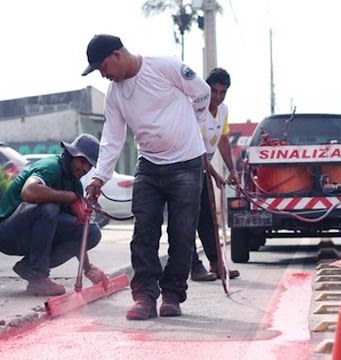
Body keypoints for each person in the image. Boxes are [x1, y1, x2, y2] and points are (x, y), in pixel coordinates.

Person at [81, 34, 210, 320]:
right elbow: (112, 139)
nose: (103, 75)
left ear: (117, 55)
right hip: (149, 167)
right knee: (144, 235)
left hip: (187, 164)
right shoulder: (115, 95)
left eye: (102, 67)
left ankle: (173, 296)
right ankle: (144, 296)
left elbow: (202, 92)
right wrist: (98, 178)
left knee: (182, 234)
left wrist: (194, 122)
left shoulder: (165, 67)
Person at [0, 134, 106, 296]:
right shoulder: (51, 167)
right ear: (71, 154)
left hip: (32, 235)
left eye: (90, 165)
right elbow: (29, 192)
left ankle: (30, 266)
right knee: (49, 207)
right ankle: (38, 278)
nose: (85, 168)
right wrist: (71, 197)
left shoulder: (75, 185)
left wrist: (88, 268)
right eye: (82, 161)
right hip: (7, 234)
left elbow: (77, 231)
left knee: (90, 231)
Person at [190, 67, 241, 282]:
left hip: (202, 168)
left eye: (223, 92)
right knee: (187, 220)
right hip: (187, 165)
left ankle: (216, 263)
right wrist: (215, 176)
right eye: (214, 91)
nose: (218, 97)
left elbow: (222, 140)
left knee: (208, 218)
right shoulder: (197, 109)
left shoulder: (223, 111)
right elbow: (197, 149)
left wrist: (232, 171)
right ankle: (193, 266)